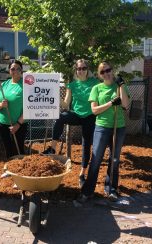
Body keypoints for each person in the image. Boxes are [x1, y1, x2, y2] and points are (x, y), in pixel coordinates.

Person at [75, 61, 130, 204]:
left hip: (118, 127)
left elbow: (125, 105)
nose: (106, 73)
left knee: (115, 159)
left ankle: (111, 189)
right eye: (102, 72)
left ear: (112, 70)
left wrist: (122, 84)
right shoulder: (97, 88)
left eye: (108, 70)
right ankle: (88, 191)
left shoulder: (119, 86)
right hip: (102, 127)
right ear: (99, 75)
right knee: (96, 159)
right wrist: (111, 103)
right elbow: (94, 110)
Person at [42, 59, 99, 187]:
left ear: (87, 70)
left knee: (86, 145)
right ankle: (52, 148)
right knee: (61, 117)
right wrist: (55, 96)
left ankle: (82, 174)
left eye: (84, 68)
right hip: (76, 114)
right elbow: (66, 104)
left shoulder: (95, 83)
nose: (81, 71)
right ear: (76, 71)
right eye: (79, 69)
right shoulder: (72, 85)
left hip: (90, 116)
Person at [0, 60, 26, 159]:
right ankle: (11, 171)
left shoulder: (26, 85)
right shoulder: (3, 85)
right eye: (12, 69)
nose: (15, 71)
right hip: (3, 124)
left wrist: (18, 124)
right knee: (8, 149)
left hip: (19, 125)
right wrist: (2, 105)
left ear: (22, 71)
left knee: (19, 150)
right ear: (9, 71)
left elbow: (29, 108)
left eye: (18, 69)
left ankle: (21, 172)